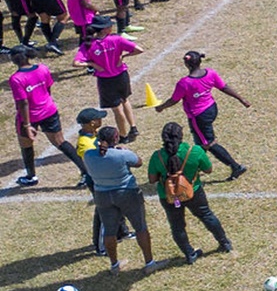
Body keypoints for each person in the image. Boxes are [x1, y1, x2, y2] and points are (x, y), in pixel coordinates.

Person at [147, 121, 234, 263]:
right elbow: (208, 169)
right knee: (206, 215)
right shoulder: (195, 151)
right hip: (193, 191)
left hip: (168, 195)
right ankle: (224, 243)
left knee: (177, 225)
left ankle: (189, 253)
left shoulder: (157, 156)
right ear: (181, 136)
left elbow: (152, 179)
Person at [154, 51, 249, 180]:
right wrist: (241, 99)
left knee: (208, 143)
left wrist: (161, 107)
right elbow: (224, 87)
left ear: (186, 64)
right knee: (199, 141)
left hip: (198, 116)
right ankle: (197, 166)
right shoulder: (211, 73)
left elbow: (174, 100)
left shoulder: (184, 83)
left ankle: (235, 166)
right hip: (211, 109)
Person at [82, 126, 164, 274]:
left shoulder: (88, 155)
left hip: (102, 195)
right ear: (115, 139)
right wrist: (123, 150)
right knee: (140, 227)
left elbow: (98, 151)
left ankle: (114, 265)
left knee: (109, 231)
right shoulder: (121, 155)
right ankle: (149, 262)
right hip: (127, 193)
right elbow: (138, 162)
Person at [8, 45, 90, 187]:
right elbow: (47, 88)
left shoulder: (16, 79)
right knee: (60, 142)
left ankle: (31, 176)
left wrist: (27, 125)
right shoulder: (42, 68)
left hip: (29, 117)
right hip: (49, 110)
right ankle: (86, 172)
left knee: (26, 144)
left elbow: (23, 103)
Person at [73, 16, 142, 142]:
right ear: (105, 29)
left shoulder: (88, 44)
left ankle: (123, 135)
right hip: (121, 76)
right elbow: (139, 50)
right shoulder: (117, 39)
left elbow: (76, 63)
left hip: (106, 80)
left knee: (116, 108)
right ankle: (133, 126)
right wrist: (123, 56)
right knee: (125, 100)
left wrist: (92, 64)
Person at [77, 108, 134, 255]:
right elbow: (94, 160)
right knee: (103, 211)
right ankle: (100, 245)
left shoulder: (93, 135)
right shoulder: (84, 142)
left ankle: (122, 232)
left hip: (102, 176)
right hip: (96, 178)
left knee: (116, 205)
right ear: (92, 123)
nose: (102, 120)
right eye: (99, 118)